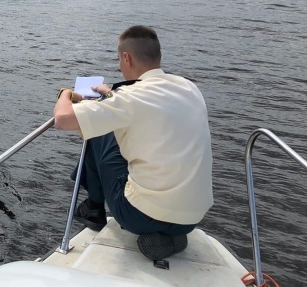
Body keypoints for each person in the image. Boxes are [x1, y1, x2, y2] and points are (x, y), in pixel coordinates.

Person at [53, 25, 213, 261]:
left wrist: (66, 94)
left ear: (126, 58)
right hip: (191, 217)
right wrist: (110, 96)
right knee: (110, 124)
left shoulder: (129, 98)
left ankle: (93, 208)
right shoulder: (189, 88)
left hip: (139, 215)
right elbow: (146, 109)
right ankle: (170, 236)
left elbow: (63, 119)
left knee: (97, 131)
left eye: (119, 59)